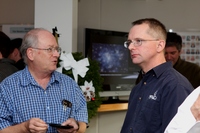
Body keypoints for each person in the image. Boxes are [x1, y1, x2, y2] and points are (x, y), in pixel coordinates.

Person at [0, 28, 88, 133]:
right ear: (31, 53)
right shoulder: (8, 87)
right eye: (49, 49)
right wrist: (24, 127)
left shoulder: (69, 84)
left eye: (57, 49)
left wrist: (76, 126)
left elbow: (83, 122)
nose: (57, 54)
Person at [120, 18, 193, 133]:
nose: (130, 47)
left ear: (160, 45)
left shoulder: (175, 85)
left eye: (138, 41)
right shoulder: (139, 87)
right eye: (129, 42)